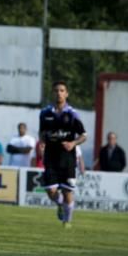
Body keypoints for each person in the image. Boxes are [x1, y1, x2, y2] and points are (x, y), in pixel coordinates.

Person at [39, 80, 88, 227]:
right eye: (56, 90)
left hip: (67, 159)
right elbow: (42, 132)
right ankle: (60, 205)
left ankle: (67, 222)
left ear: (66, 94)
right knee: (51, 191)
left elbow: (84, 135)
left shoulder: (72, 114)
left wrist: (73, 143)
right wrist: (42, 143)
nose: (59, 93)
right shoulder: (45, 113)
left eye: (62, 90)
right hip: (51, 157)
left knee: (67, 192)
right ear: (53, 93)